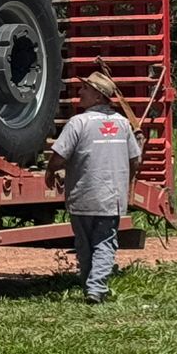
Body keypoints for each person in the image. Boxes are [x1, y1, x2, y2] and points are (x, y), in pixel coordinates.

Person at [45, 72, 143, 304]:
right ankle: (95, 287)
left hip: (82, 196)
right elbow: (135, 160)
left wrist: (50, 172)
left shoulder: (78, 123)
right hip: (111, 198)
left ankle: (92, 286)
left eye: (85, 89)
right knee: (104, 242)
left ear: (98, 96)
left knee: (84, 243)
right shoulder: (122, 124)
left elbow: (59, 156)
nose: (80, 93)